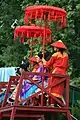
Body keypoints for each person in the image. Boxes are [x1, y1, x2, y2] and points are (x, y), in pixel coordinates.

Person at [42, 40, 69, 106]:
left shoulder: (55, 54)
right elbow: (67, 66)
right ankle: (56, 103)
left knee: (52, 88)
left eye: (55, 47)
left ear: (57, 48)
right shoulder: (66, 55)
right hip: (63, 74)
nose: (54, 48)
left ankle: (52, 103)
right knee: (59, 89)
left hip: (56, 73)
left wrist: (43, 61)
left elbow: (48, 64)